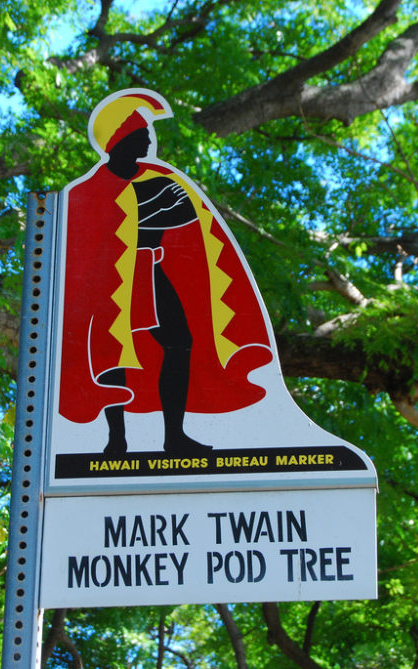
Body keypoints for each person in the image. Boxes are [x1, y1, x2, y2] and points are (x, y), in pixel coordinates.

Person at [57, 89, 274, 456]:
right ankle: (116, 439)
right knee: (110, 351)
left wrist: (145, 215)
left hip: (148, 273)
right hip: (108, 282)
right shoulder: (86, 191)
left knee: (180, 342)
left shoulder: (159, 177)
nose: (149, 140)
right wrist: (146, 213)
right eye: (142, 133)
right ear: (122, 138)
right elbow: (89, 238)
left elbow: (185, 213)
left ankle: (174, 437)